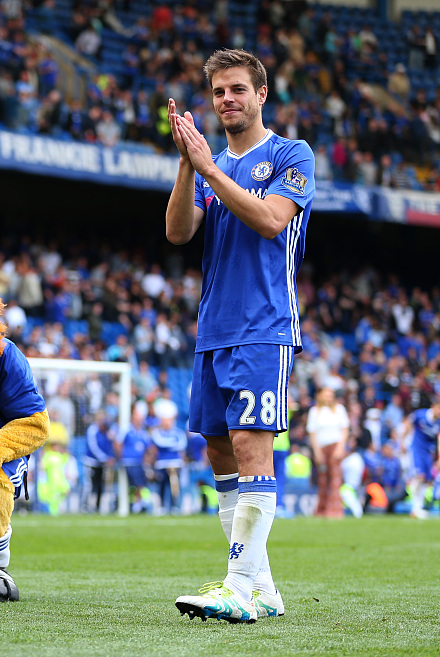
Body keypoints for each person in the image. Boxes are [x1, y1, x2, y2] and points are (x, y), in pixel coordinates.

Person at [166, 48, 315, 624]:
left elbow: (272, 220)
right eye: (219, 92)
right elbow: (179, 233)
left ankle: (237, 585)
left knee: (253, 448)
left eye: (237, 90)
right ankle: (264, 587)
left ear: (261, 94)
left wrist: (209, 168)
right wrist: (187, 163)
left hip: (264, 326)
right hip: (214, 330)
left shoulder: (289, 154)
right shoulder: (212, 163)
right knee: (220, 451)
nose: (227, 100)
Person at [306, 387, 350, 519]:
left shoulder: (339, 409)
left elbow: (344, 430)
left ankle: (335, 509)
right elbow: (312, 433)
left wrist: (340, 447)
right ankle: (321, 509)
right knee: (323, 479)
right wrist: (317, 451)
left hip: (335, 445)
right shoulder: (314, 411)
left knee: (335, 478)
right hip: (321, 446)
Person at [400, 400, 440, 519]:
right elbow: (408, 423)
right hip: (416, 451)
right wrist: (402, 440)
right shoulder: (420, 415)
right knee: (419, 477)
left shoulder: (438, 423)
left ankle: (419, 507)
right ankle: (415, 508)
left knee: (426, 480)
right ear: (434, 406)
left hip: (428, 453)